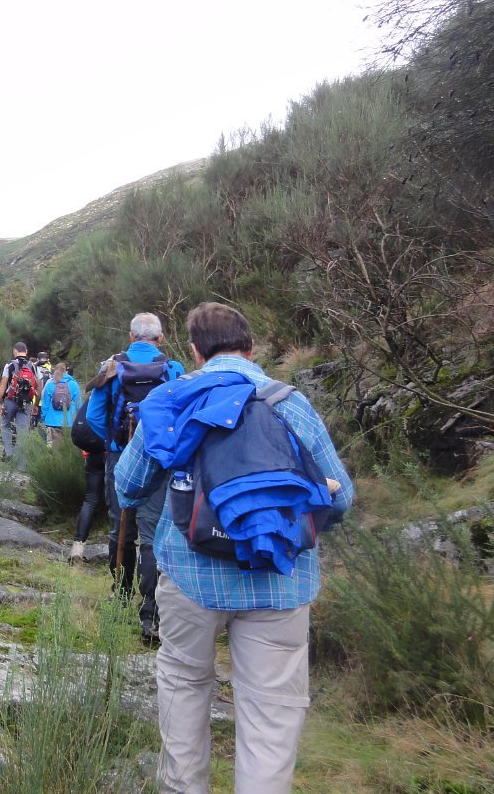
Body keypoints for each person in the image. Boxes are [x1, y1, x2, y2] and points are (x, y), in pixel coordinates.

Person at [114, 302, 353, 794]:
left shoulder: (174, 398)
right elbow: (342, 497)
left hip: (191, 573)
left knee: (184, 683)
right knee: (271, 710)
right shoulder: (290, 403)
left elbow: (128, 485)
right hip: (281, 581)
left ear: (195, 351)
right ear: (251, 347)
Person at [84, 313, 183, 640]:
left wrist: (114, 443)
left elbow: (94, 416)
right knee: (153, 534)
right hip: (159, 459)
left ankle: (121, 595)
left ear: (130, 337)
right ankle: (150, 613)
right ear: (161, 338)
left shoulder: (111, 367)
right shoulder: (173, 370)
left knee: (121, 528)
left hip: (119, 456)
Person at [69, 378, 108, 563]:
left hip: (92, 454)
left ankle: (77, 547)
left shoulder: (92, 398)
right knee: (117, 502)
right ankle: (118, 550)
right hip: (111, 454)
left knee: (91, 499)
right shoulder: (116, 397)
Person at [0, 342, 41, 471]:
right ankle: (21, 466)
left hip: (10, 401)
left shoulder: (9, 365)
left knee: (5, 425)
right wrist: (36, 404)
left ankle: (9, 452)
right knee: (23, 433)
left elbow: (3, 384)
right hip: (27, 403)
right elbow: (39, 387)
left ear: (15, 351)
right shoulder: (34, 366)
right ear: (26, 351)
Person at [38, 361, 80, 446]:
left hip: (52, 421)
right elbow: (78, 405)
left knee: (54, 448)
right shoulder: (73, 384)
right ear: (66, 372)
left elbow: (45, 405)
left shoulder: (50, 384)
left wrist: (43, 418)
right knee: (68, 448)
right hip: (69, 421)